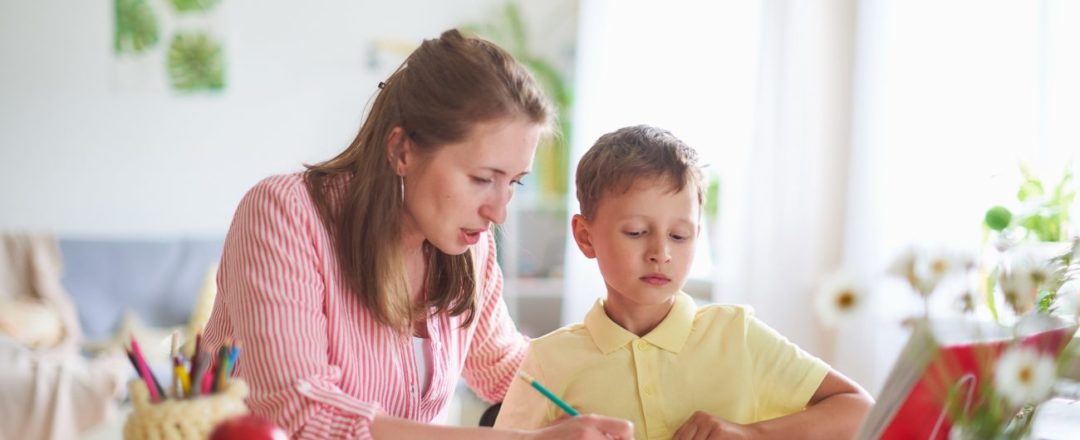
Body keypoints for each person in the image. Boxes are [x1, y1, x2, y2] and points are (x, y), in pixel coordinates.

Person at [201, 29, 634, 440]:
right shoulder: (285, 214)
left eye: (514, 182)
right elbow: (301, 414)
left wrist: (671, 402)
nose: (498, 211)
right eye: (483, 178)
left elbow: (510, 370)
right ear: (402, 150)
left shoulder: (468, 248)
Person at [494, 125, 874, 439]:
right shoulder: (549, 361)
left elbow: (861, 411)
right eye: (637, 232)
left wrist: (752, 434)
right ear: (585, 236)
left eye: (679, 236)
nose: (661, 252)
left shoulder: (736, 336)